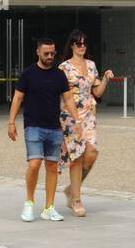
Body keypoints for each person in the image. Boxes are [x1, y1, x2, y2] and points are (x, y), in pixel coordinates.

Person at [7, 37, 80, 222]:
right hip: (33, 126)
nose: (49, 56)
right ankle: (29, 203)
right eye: (46, 53)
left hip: (54, 128)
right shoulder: (28, 74)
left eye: (52, 53)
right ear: (38, 52)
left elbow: (69, 99)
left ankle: (49, 207)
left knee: (52, 167)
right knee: (34, 164)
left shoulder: (59, 75)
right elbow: (17, 98)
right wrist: (11, 122)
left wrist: (77, 120)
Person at [58, 30, 113, 217]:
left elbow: (97, 92)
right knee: (77, 157)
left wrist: (105, 78)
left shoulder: (91, 65)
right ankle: (77, 199)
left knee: (92, 153)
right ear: (72, 45)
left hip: (88, 114)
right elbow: (59, 92)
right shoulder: (64, 67)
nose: (82, 46)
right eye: (78, 43)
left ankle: (72, 190)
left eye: (84, 43)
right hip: (70, 115)